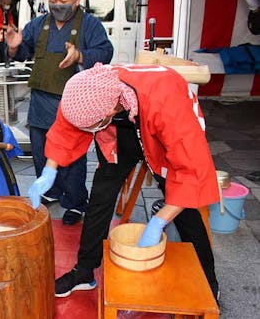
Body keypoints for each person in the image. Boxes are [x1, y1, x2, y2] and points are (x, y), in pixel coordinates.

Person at [28, 63, 220, 299]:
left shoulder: (167, 103)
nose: (87, 132)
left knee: (184, 207)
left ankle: (208, 280)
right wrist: (49, 172)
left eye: (90, 128)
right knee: (101, 195)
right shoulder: (87, 88)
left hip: (160, 132)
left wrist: (158, 222)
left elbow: (190, 170)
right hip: (120, 134)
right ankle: (85, 271)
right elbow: (66, 129)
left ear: (108, 113)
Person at [5, 0, 113, 226]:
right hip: (41, 102)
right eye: (53, 1)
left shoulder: (90, 25)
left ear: (77, 1)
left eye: (63, 2)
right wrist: (13, 48)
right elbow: (22, 52)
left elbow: (105, 52)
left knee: (72, 157)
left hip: (72, 104)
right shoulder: (38, 24)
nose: (57, 6)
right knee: (42, 153)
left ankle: (75, 203)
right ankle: (51, 191)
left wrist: (80, 55)